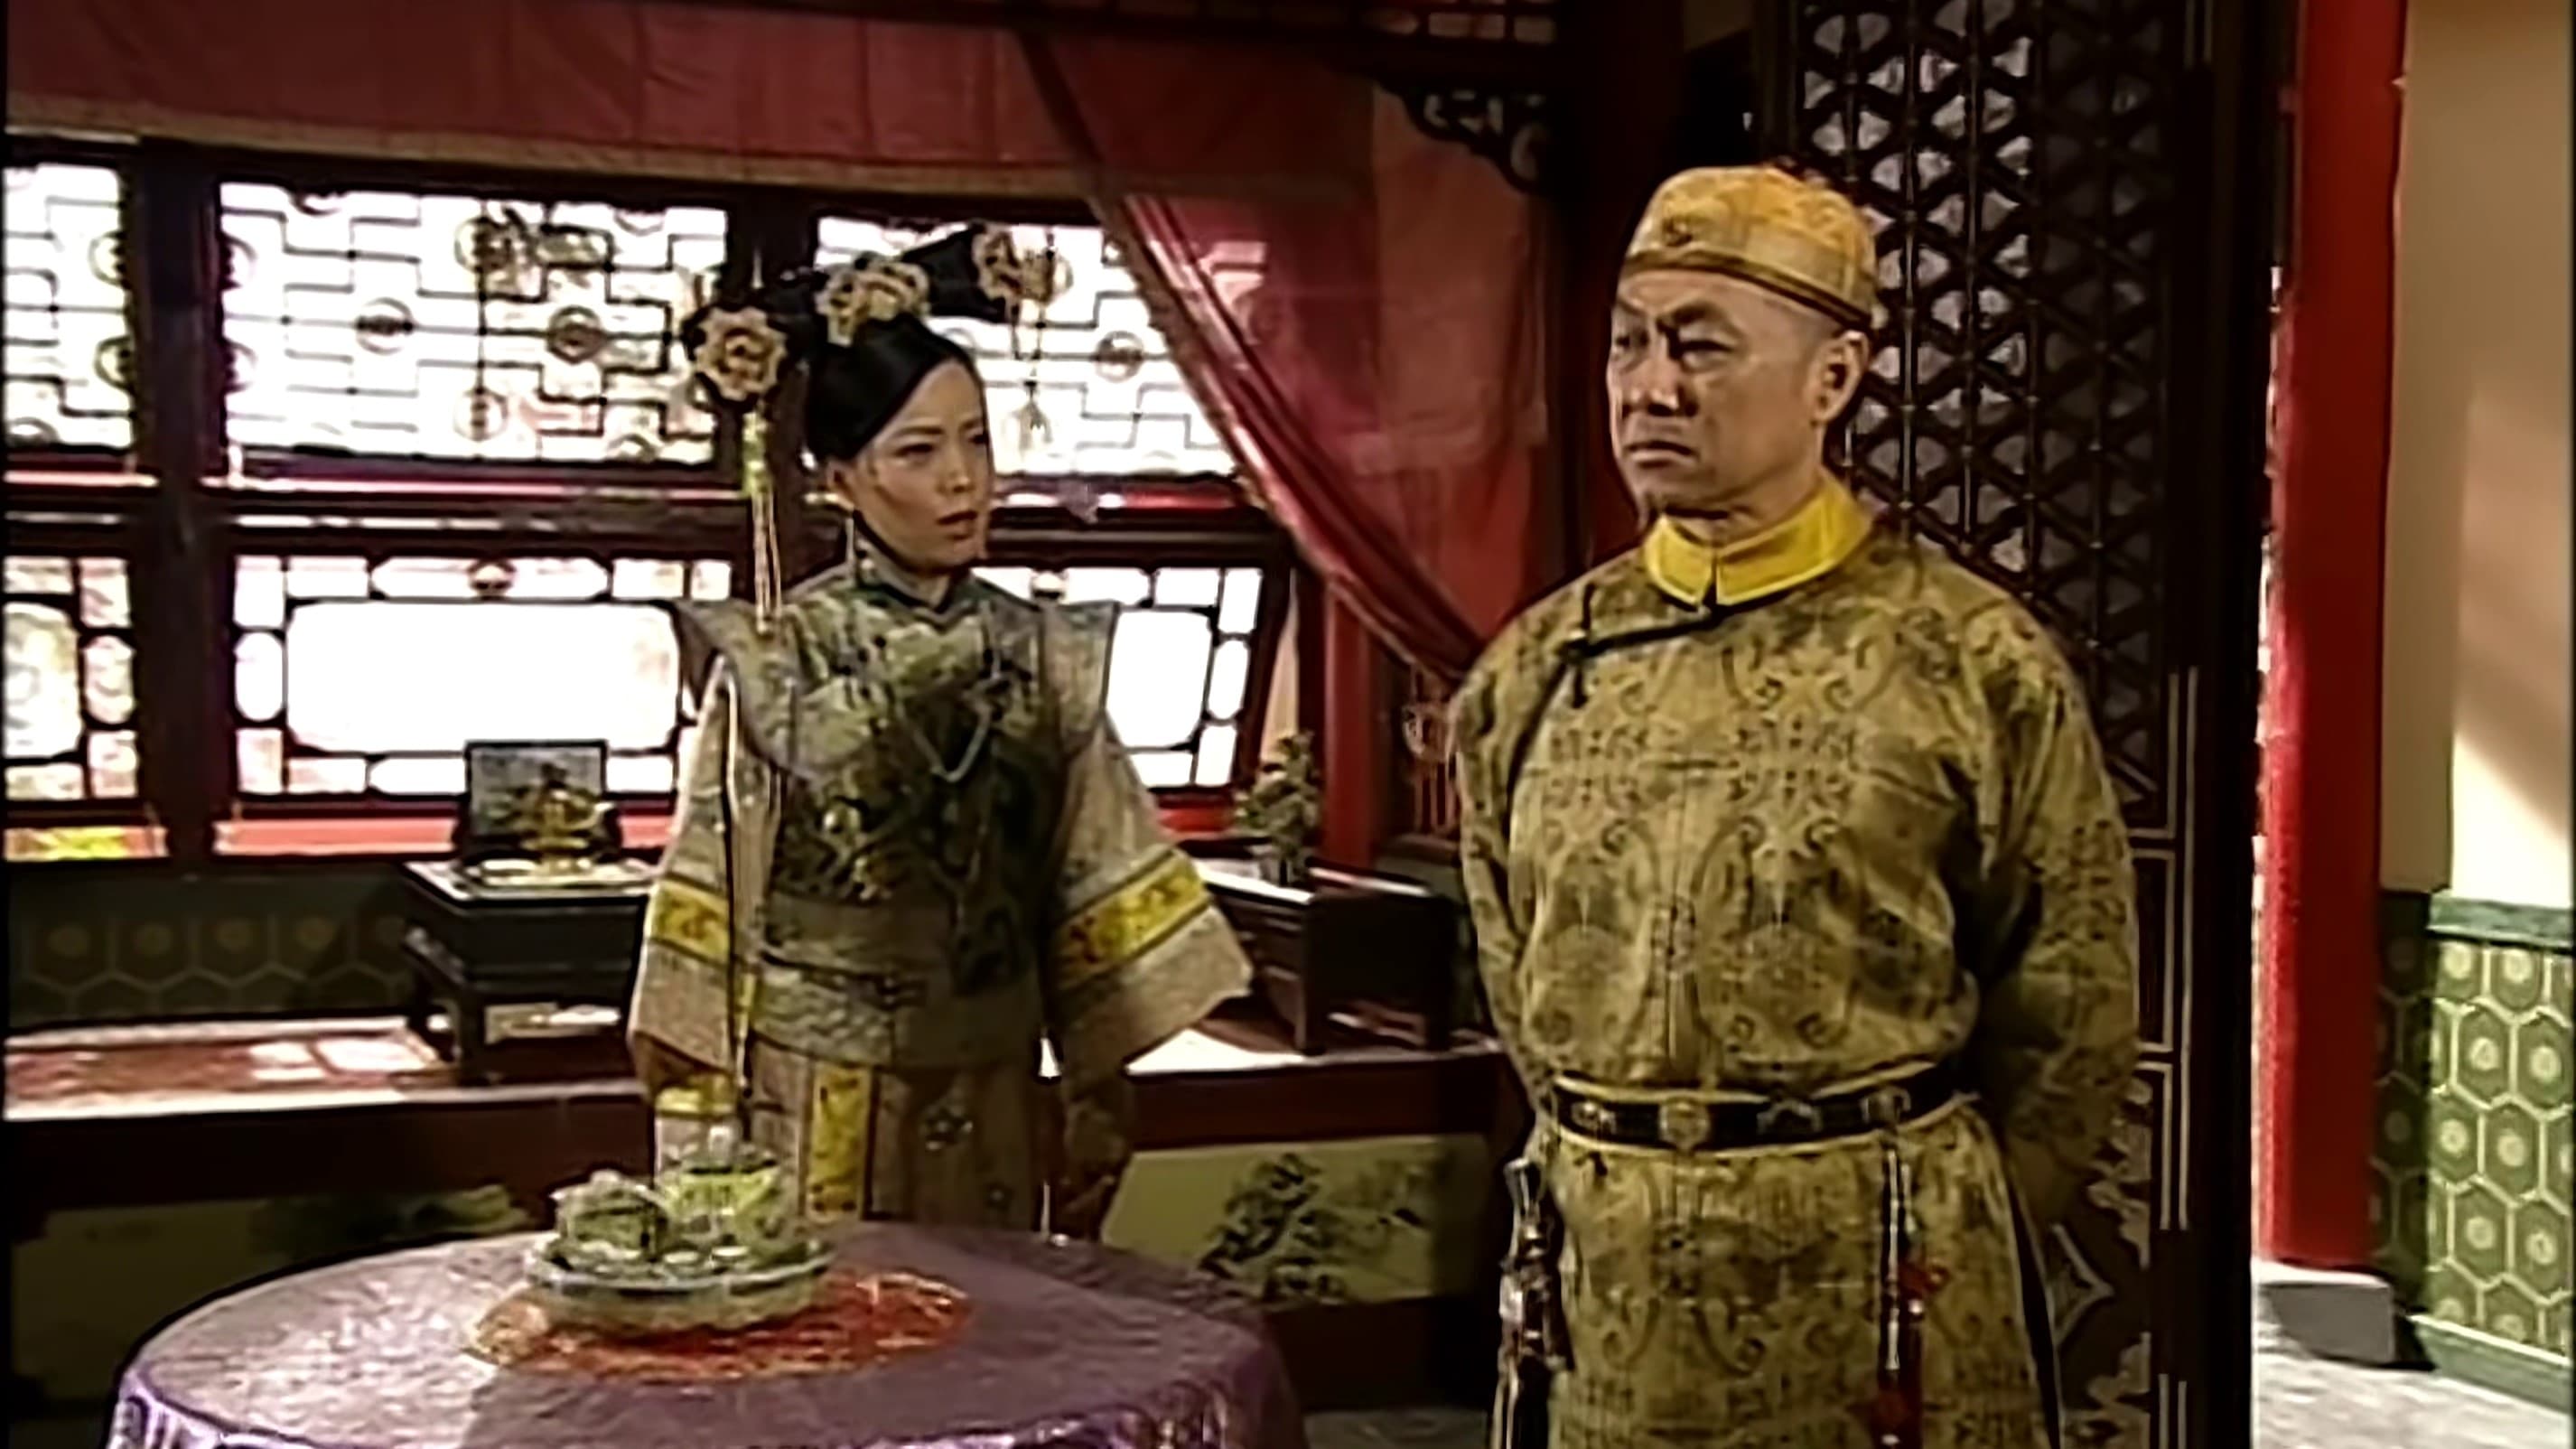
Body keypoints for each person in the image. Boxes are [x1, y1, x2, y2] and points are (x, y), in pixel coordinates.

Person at [1452, 166, 2141, 1447]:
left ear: (1834, 378)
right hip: (1606, 1291)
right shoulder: (1533, 669)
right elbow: (1512, 969)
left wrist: (1927, 1206)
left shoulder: (1969, 658)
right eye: (1628, 344)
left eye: (1700, 346)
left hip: (1885, 1286)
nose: (1650, 388)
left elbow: (2071, 1013)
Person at [628, 226, 1251, 1240]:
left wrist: (1095, 1083)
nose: (963, 480)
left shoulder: (1044, 654)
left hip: (992, 1079)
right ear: (840, 480)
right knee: (831, 1319)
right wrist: (699, 1111)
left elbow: (1094, 873)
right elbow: (711, 897)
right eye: (918, 451)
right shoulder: (781, 660)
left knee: (988, 1313)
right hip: (811, 1083)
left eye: (976, 441)